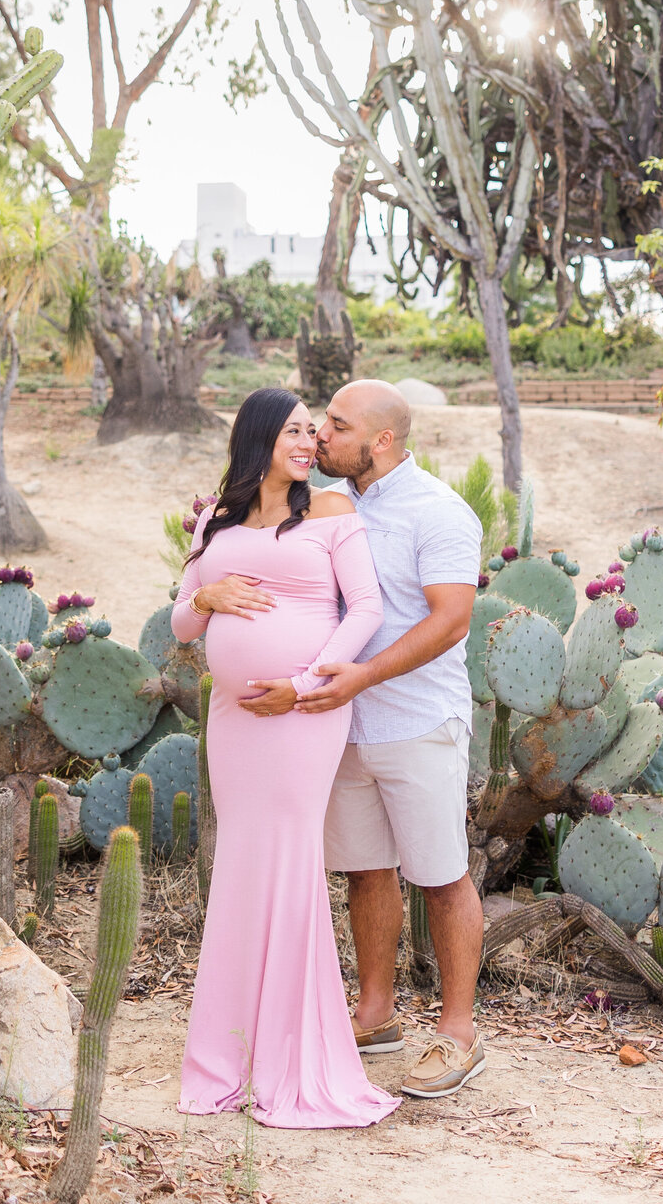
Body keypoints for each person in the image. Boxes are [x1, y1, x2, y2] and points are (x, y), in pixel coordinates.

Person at [198, 378, 486, 1101]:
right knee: (364, 870)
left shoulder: (439, 512)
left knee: (441, 875)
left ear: (381, 441)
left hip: (416, 718)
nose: (319, 436)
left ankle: (458, 1034)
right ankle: (374, 1013)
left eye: (336, 425)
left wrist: (358, 676)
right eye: (316, 424)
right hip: (332, 724)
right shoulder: (323, 502)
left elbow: (451, 621)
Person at [170, 386, 399, 1130]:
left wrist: (304, 685)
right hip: (235, 718)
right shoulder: (217, 517)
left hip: (305, 714)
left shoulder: (332, 511)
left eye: (314, 433)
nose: (309, 443)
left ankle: (291, 1056)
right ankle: (227, 1056)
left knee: (292, 862)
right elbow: (179, 622)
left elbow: (365, 609)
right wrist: (211, 597)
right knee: (241, 862)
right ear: (260, 436)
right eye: (295, 431)